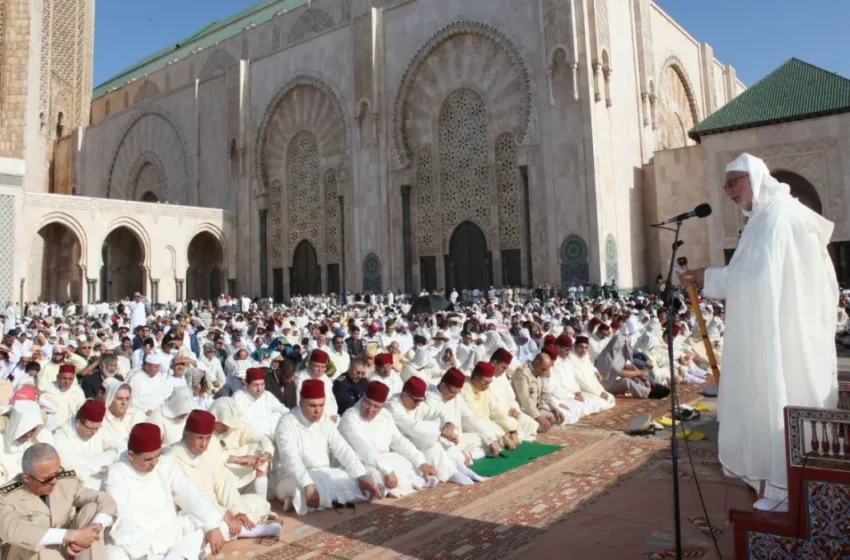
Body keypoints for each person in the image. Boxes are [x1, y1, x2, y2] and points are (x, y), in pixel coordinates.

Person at [679, 153, 839, 512]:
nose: (729, 192)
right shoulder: (767, 217)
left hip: (788, 331)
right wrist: (714, 276)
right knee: (778, 399)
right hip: (786, 325)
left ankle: (786, 489)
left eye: (733, 182)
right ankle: (781, 486)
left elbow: (758, 276)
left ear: (754, 176)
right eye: (725, 186)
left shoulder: (776, 214)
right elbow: (754, 272)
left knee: (783, 397)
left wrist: (710, 277)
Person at [103, 423, 227, 559]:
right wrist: (138, 553)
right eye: (148, 459)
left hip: (166, 532)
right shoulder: (116, 474)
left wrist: (211, 526)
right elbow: (122, 520)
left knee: (211, 523)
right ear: (131, 455)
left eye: (157, 456)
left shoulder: (165, 463)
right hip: (133, 541)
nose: (154, 463)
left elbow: (189, 494)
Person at [166, 410, 281, 541]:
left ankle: (237, 527)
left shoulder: (209, 451)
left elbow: (223, 484)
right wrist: (225, 515)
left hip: (220, 507)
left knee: (259, 503)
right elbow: (192, 499)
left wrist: (237, 511)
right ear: (186, 434)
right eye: (199, 438)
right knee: (204, 526)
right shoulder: (172, 456)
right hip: (193, 511)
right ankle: (248, 530)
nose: (204, 444)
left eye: (208, 438)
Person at [271, 379, 379, 515]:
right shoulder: (287, 423)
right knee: (305, 488)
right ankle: (296, 498)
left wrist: (360, 475)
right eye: (313, 406)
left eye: (321, 405)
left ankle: (302, 500)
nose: (318, 411)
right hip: (288, 475)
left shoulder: (324, 421)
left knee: (351, 479)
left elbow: (342, 448)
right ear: (301, 403)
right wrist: (307, 483)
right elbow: (290, 458)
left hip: (321, 472)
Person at [0, 443, 118, 560]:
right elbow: (17, 531)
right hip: (28, 555)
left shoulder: (64, 481)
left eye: (57, 473)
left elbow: (103, 499)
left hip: (64, 549)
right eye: (47, 478)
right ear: (27, 478)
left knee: (93, 508)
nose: (54, 481)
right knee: (40, 546)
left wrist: (94, 528)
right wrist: (71, 536)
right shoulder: (6, 497)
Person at [338, 381, 438, 498]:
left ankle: (412, 481)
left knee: (405, 461)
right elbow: (366, 449)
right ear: (363, 398)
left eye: (376, 407)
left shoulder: (385, 414)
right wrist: (387, 471)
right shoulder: (350, 417)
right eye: (367, 404)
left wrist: (421, 462)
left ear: (382, 405)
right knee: (374, 473)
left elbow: (399, 441)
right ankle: (398, 486)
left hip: (383, 459)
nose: (370, 410)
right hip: (359, 462)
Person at [53, 400, 116, 491]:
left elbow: (118, 447)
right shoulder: (60, 436)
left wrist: (87, 463)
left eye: (97, 428)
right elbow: (68, 465)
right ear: (78, 423)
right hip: (76, 490)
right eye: (90, 428)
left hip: (102, 487)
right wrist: (98, 468)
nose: (94, 432)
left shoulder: (98, 430)